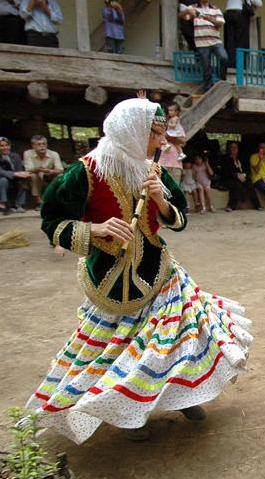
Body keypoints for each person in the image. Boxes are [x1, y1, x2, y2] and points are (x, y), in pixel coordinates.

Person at [26, 98, 252, 443]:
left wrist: (162, 200)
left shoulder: (154, 172)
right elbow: (51, 219)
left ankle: (180, 395)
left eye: (162, 134)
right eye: (156, 134)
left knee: (179, 338)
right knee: (120, 349)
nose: (161, 143)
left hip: (161, 273)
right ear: (132, 131)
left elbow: (179, 219)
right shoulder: (85, 172)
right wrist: (96, 230)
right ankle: (126, 412)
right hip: (110, 280)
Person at [186, 1, 227, 92]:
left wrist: (207, 18)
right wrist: (187, 11)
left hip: (215, 40)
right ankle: (208, 87)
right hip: (201, 42)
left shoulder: (215, 9)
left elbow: (220, 24)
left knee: (223, 57)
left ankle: (222, 80)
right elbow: (184, 17)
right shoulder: (193, 8)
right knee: (206, 65)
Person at [23, 134, 62, 208]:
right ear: (33, 146)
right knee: (33, 175)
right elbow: (29, 169)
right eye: (39, 144)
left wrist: (50, 171)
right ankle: (39, 201)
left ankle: (58, 201)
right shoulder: (28, 153)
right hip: (36, 174)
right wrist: (39, 169)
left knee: (60, 177)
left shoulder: (54, 154)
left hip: (50, 174)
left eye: (44, 144)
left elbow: (60, 169)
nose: (42, 146)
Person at [219, 141, 258, 211]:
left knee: (249, 183)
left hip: (242, 177)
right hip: (229, 178)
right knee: (237, 185)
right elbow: (225, 171)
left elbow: (247, 169)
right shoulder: (225, 158)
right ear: (229, 149)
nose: (234, 149)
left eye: (235, 147)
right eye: (232, 147)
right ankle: (231, 206)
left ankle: (257, 205)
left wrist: (244, 175)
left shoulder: (241, 158)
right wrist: (236, 175)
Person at [224, 0, 261, 68]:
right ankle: (240, 65)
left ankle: (230, 64)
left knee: (230, 41)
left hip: (228, 12)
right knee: (241, 41)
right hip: (240, 13)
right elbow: (258, 3)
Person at [0, 136, 30, 214]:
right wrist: (14, 174)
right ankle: (4, 204)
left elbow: (19, 169)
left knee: (23, 178)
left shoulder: (15, 156)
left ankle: (19, 205)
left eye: (6, 145)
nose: (5, 148)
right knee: (3, 180)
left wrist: (22, 173)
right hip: (3, 179)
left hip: (15, 179)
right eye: (2, 146)